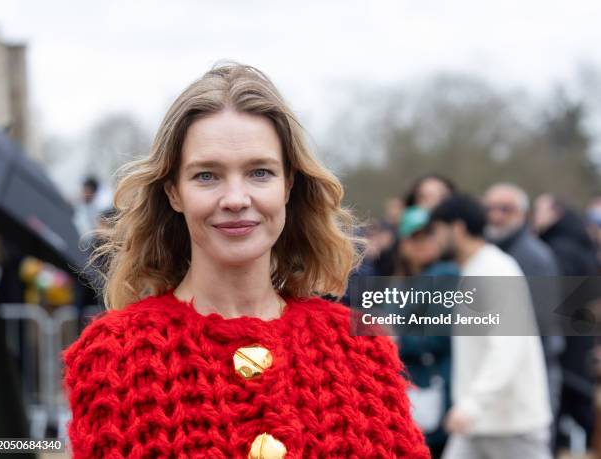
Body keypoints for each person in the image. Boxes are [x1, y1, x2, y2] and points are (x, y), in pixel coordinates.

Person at [62, 63, 430, 458]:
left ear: (288, 184)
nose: (236, 199)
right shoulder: (115, 357)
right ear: (173, 192)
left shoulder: (362, 348)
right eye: (207, 176)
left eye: (259, 172)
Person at [430, 194, 552, 459]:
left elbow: (507, 348)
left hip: (511, 426)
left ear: (458, 228)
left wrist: (472, 404)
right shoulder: (474, 271)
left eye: (437, 230)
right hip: (479, 424)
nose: (434, 239)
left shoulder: (495, 271)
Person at [483, 183, 564, 428]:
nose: (496, 216)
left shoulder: (533, 257)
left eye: (505, 209)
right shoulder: (490, 251)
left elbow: (539, 321)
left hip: (531, 370)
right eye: (491, 208)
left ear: (522, 214)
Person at [533, 193, 598, 451]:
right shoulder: (580, 246)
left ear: (555, 213)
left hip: (566, 347)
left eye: (539, 210)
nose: (535, 216)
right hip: (580, 342)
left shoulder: (559, 250)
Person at [394, 206, 459, 458]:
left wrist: (396, 338)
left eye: (428, 235)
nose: (422, 243)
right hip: (411, 386)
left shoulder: (445, 275)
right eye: (414, 237)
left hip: (435, 384)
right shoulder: (406, 280)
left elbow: (439, 335)